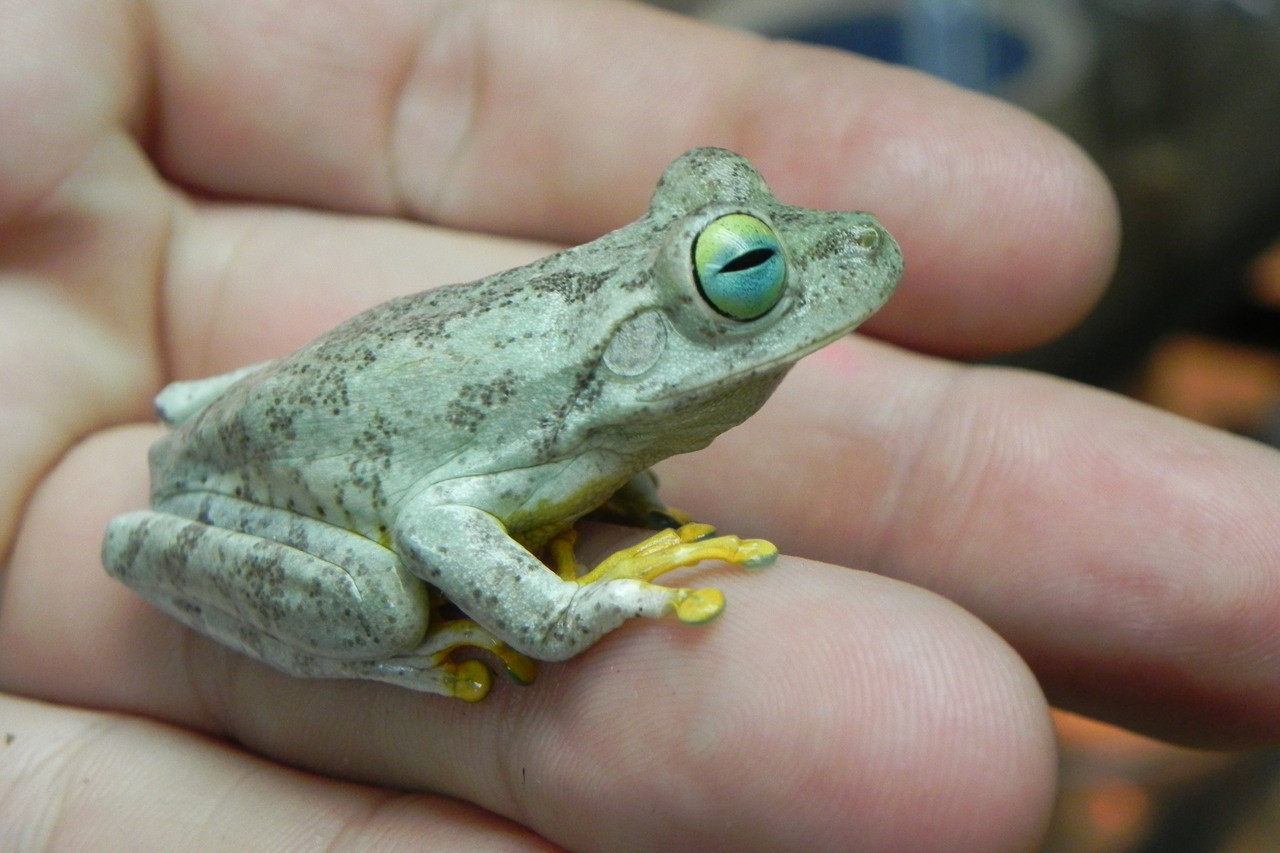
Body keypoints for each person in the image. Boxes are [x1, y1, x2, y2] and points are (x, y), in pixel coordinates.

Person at [1, 1, 1276, 850]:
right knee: (396, 603)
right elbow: (440, 515)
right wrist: (560, 614)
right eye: (741, 278)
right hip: (273, 486)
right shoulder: (567, 418)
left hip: (288, 398)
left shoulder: (604, 406)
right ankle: (374, 654)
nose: (804, 266)